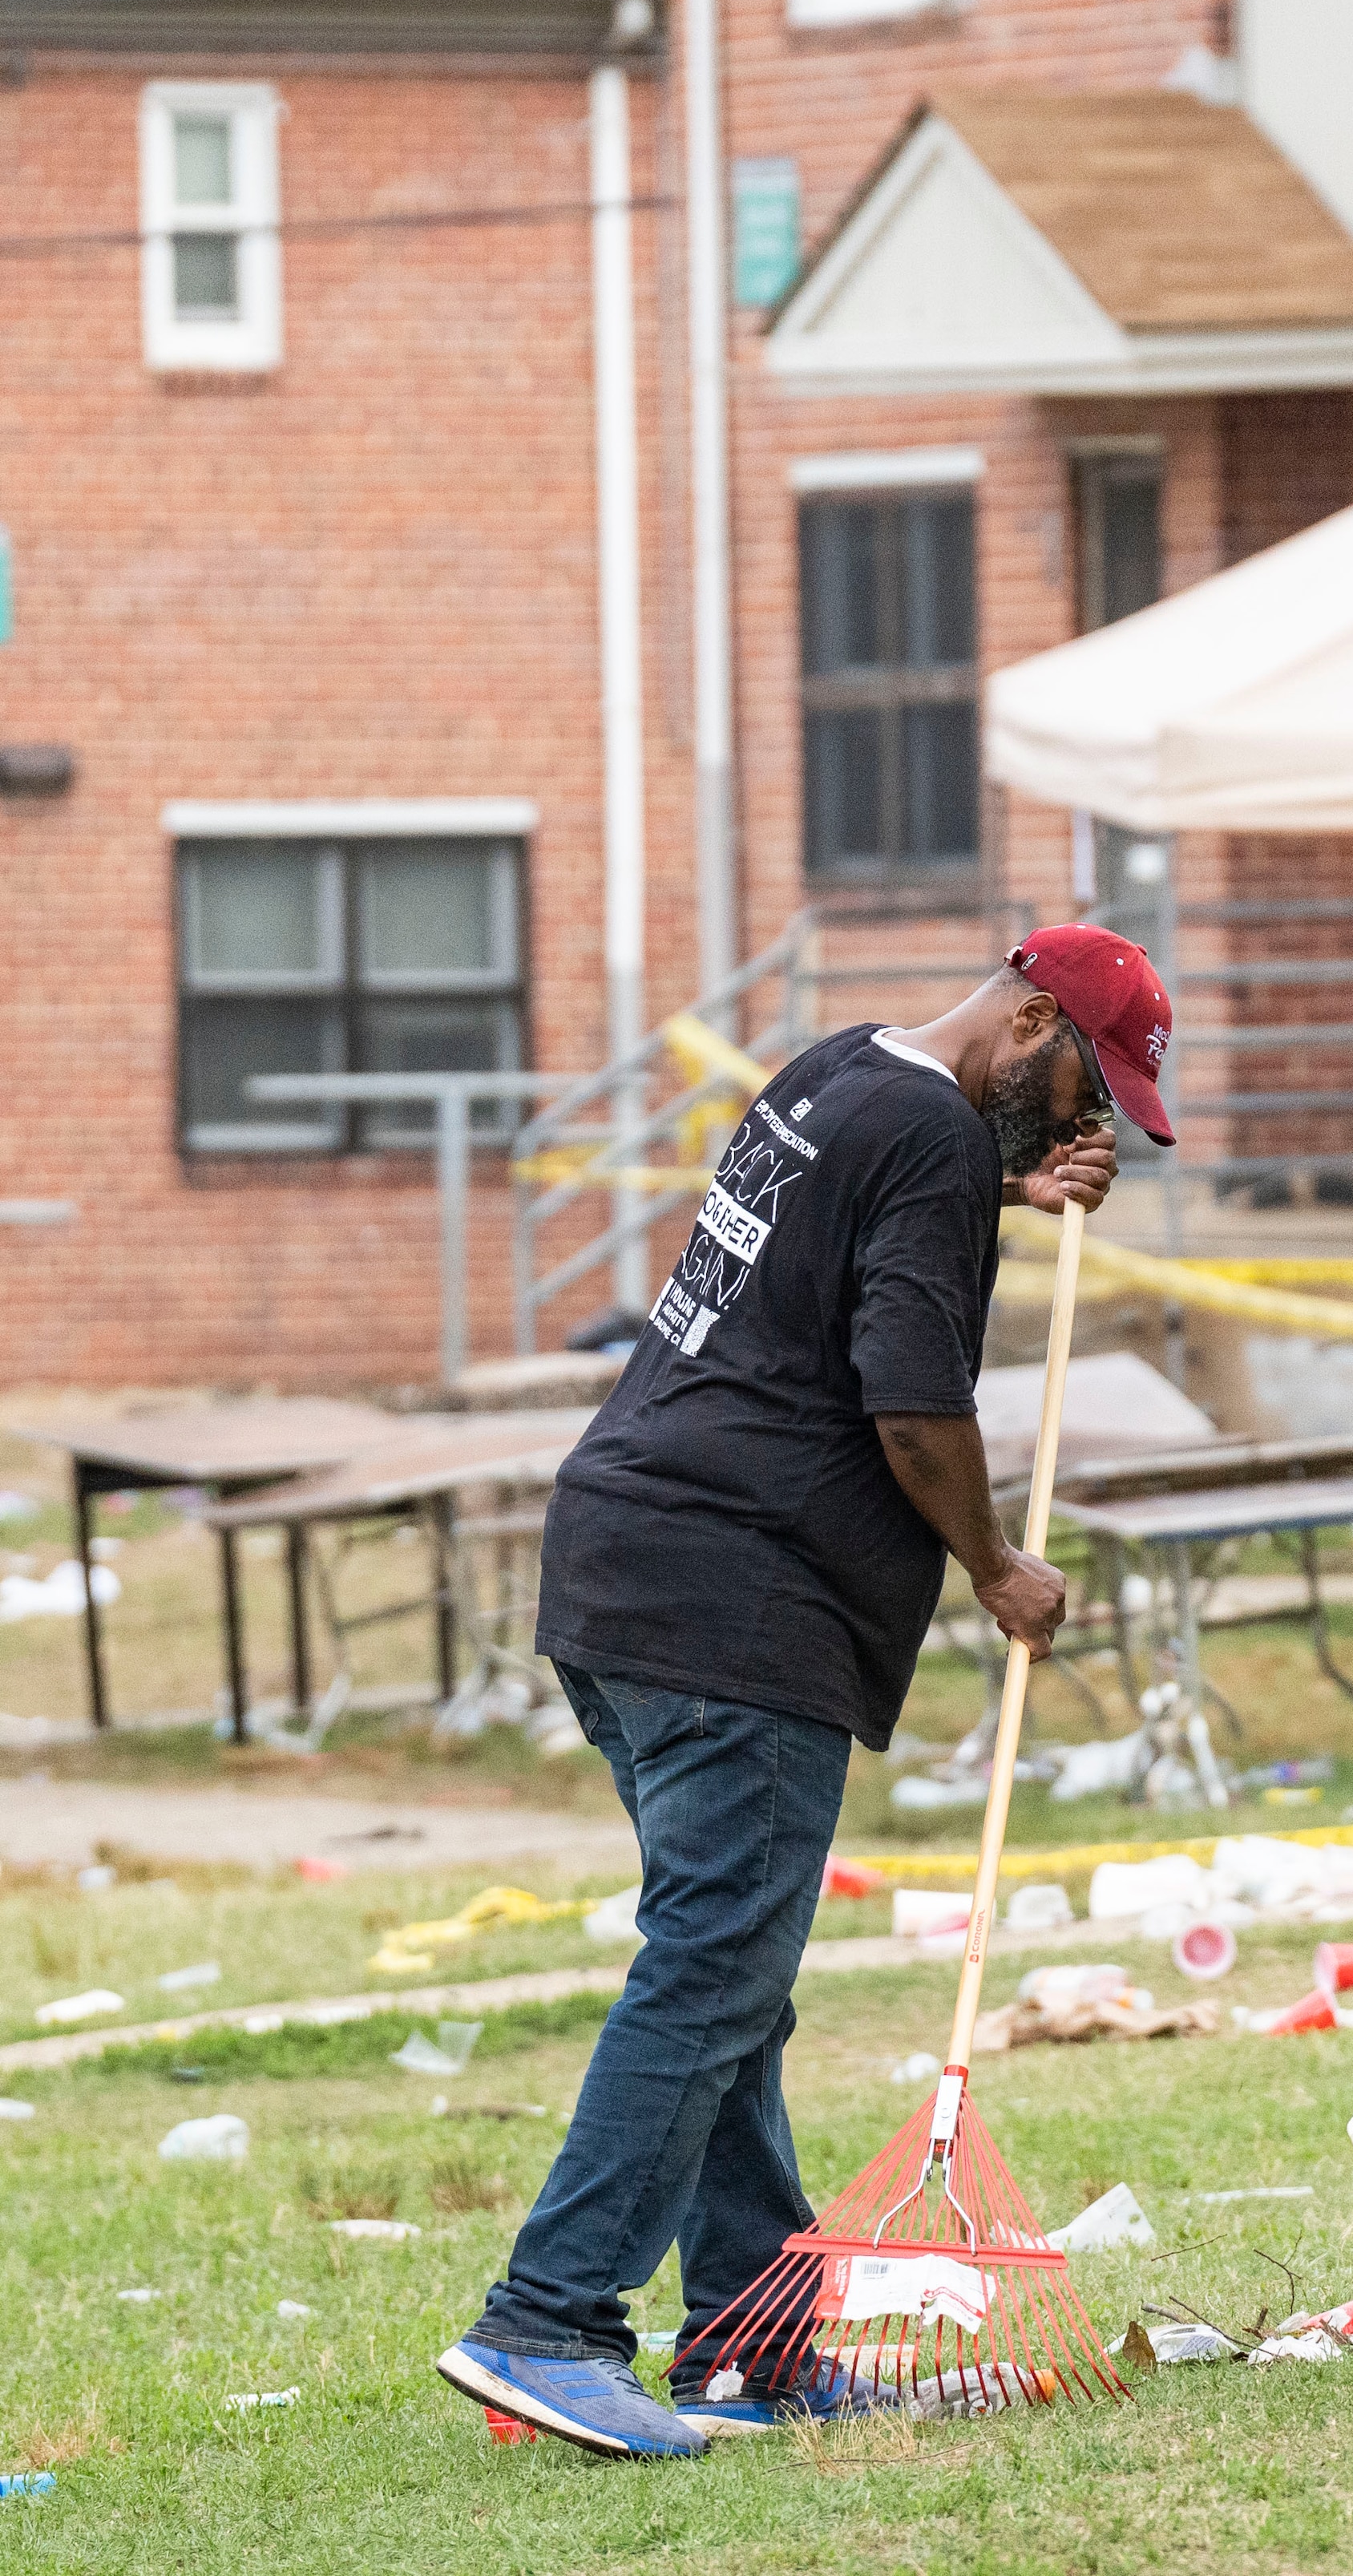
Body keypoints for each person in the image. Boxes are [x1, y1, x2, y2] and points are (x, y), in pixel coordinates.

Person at [436, 926, 1175, 2460]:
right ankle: (550, 2321)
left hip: (625, 1562)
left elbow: (831, 1246)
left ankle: (748, 2343)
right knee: (711, 1972)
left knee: (735, 1985)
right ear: (1033, 1018)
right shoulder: (926, 1133)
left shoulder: (845, 1071)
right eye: (1081, 1084)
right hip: (736, 1604)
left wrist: (1004, 1188)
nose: (1079, 1123)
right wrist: (997, 1567)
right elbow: (911, 1404)